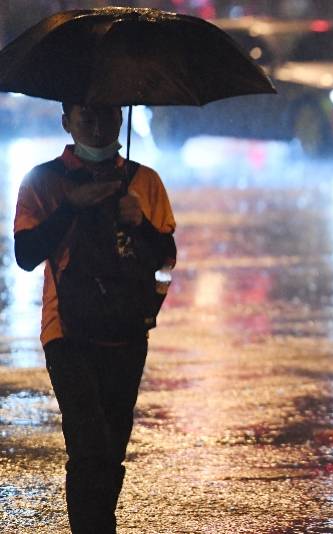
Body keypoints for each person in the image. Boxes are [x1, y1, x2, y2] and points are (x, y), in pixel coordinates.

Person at [13, 103, 176, 533]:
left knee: (112, 448)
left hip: (127, 331)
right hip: (66, 331)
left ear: (122, 118)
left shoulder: (144, 181)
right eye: (87, 118)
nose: (98, 128)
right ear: (66, 122)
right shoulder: (43, 181)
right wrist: (70, 206)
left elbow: (166, 258)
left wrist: (139, 223)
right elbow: (26, 254)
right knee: (89, 446)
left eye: (107, 117)